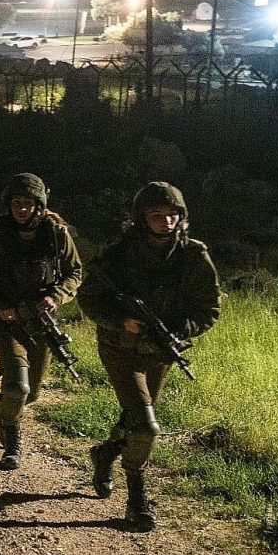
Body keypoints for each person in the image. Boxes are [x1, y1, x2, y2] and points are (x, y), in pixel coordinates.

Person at [78, 182, 221, 532]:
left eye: (173, 214)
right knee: (145, 425)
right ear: (142, 218)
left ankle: (106, 453)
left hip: (159, 353)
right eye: (157, 214)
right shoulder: (119, 254)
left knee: (137, 418)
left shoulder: (194, 255)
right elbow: (89, 298)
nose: (166, 221)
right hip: (120, 349)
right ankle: (137, 498)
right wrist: (121, 321)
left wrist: (177, 330)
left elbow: (209, 309)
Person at [0, 173, 82, 470]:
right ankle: (12, 441)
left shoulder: (56, 234)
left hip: (41, 322)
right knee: (18, 387)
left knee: (32, 392)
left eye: (27, 203)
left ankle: (4, 413)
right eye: (16, 203)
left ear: (38, 205)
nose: (21, 209)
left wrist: (56, 296)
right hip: (6, 320)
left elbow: (75, 273)